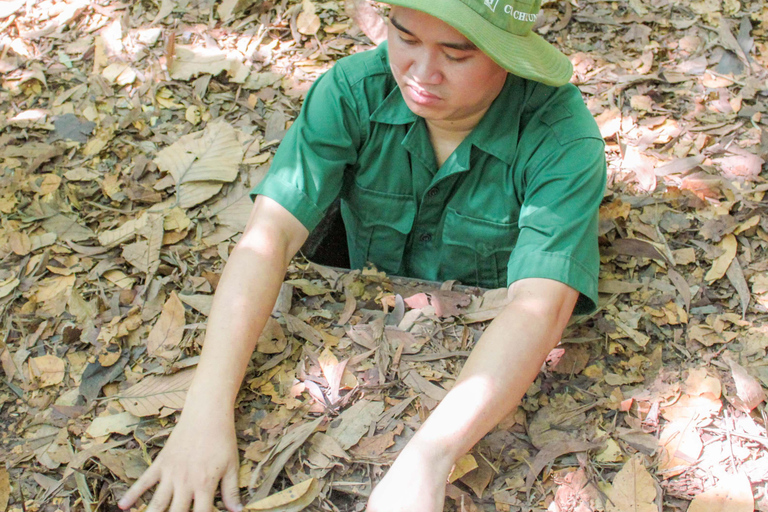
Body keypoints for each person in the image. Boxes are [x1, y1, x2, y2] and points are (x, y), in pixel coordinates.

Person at [118, 0, 606, 511]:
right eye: (406, 38)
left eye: (456, 55)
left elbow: (540, 306)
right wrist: (204, 411)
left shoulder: (561, 139)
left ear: (510, 56)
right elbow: (270, 236)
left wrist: (428, 461)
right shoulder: (353, 91)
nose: (421, 73)